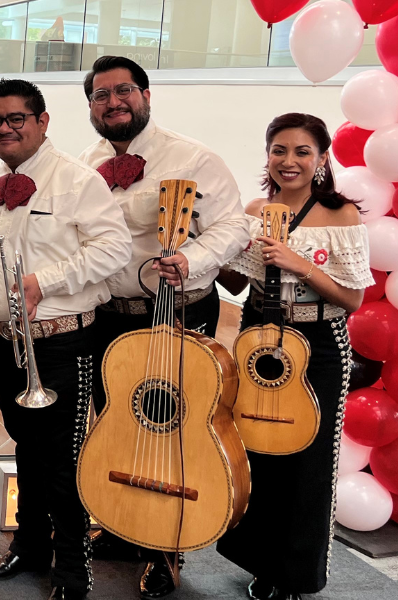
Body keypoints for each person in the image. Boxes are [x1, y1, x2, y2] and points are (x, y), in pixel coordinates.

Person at [76, 55, 250, 599]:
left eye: (123, 90)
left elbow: (234, 224)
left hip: (177, 310)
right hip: (109, 317)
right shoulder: (85, 163)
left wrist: (193, 260)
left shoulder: (194, 157)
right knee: (116, 425)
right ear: (91, 108)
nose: (113, 102)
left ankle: (165, 546)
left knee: (172, 427)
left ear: (146, 95)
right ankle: (126, 525)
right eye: (101, 96)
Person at [0, 78, 132, 600]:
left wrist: (47, 280)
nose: (5, 128)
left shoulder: (76, 180)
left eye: (17, 118)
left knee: (61, 457)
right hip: (0, 342)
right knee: (26, 448)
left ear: (42, 122)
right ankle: (31, 544)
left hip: (59, 342)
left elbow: (115, 249)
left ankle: (71, 566)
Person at [215, 113, 372, 600]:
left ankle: (296, 575)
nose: (290, 161)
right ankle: (259, 562)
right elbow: (237, 284)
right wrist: (213, 248)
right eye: (279, 150)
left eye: (302, 152)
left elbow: (353, 299)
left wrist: (297, 263)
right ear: (267, 156)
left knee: (308, 462)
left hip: (319, 343)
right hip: (257, 335)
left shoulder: (341, 213)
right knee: (256, 450)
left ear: (322, 159)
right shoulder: (257, 208)